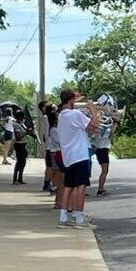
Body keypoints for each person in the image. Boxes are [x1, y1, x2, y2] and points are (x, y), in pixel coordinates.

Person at [57, 89, 100, 228]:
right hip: (80, 155)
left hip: (68, 156)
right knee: (80, 186)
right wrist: (93, 110)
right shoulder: (75, 114)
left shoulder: (62, 116)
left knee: (68, 186)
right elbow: (95, 126)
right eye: (75, 99)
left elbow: (88, 130)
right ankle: (79, 219)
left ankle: (63, 217)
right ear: (71, 100)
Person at [94, 116, 116, 196]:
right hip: (102, 149)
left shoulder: (98, 129)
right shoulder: (105, 130)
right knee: (105, 171)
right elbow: (111, 134)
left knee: (104, 170)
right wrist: (115, 122)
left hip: (100, 149)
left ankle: (101, 188)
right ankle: (100, 189)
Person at [11, 110, 33, 185]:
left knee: (23, 162)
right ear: (20, 117)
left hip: (23, 144)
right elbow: (18, 137)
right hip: (19, 145)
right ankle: (15, 179)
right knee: (19, 162)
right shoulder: (16, 125)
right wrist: (26, 132)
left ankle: (20, 178)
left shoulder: (22, 124)